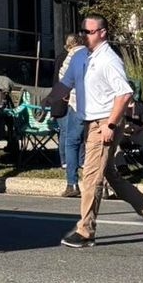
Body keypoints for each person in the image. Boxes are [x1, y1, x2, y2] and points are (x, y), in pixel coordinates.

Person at [58, 13, 143, 249]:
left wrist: (110, 124)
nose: (84, 36)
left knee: (91, 177)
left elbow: (124, 93)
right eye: (82, 31)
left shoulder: (109, 59)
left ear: (102, 33)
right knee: (109, 174)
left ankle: (85, 231)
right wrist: (51, 99)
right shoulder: (81, 56)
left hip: (105, 122)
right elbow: (66, 82)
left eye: (89, 32)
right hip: (90, 122)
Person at [54, 33, 86, 199]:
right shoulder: (100, 53)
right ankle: (103, 184)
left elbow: (63, 76)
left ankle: (72, 183)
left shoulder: (72, 56)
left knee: (72, 142)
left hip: (77, 104)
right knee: (97, 144)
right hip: (99, 107)